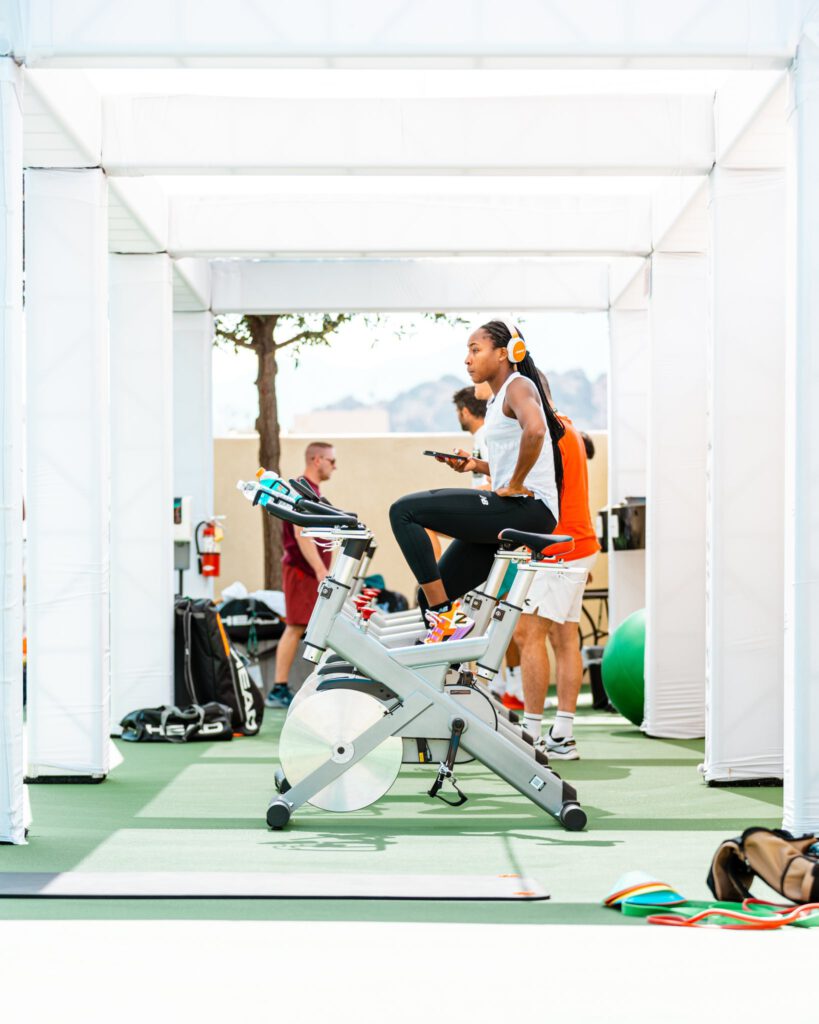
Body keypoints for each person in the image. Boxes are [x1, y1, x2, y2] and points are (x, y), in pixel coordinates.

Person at [389, 320, 565, 644]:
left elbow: (537, 430)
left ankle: (445, 619)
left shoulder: (518, 385)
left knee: (403, 512)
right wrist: (474, 464)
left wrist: (514, 483)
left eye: (475, 350)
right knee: (428, 596)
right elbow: (511, 458)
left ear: (503, 353)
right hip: (516, 507)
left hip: (528, 508)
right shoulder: (496, 401)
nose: (467, 359)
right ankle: (449, 657)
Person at [512, 374, 600, 758]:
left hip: (558, 546)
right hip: (578, 542)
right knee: (564, 639)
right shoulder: (567, 427)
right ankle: (562, 734)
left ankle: (530, 736)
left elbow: (530, 486)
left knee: (526, 635)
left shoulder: (545, 431)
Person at [267, 442, 338, 708]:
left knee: (312, 628)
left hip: (309, 573)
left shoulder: (312, 491)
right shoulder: (302, 490)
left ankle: (315, 685)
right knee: (296, 626)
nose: (335, 467)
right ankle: (279, 688)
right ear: (317, 460)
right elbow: (301, 534)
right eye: (332, 461)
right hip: (302, 572)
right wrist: (320, 570)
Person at [452, 385, 489, 488]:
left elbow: (494, 472)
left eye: (457, 411)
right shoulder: (481, 435)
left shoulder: (485, 435)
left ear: (465, 412)